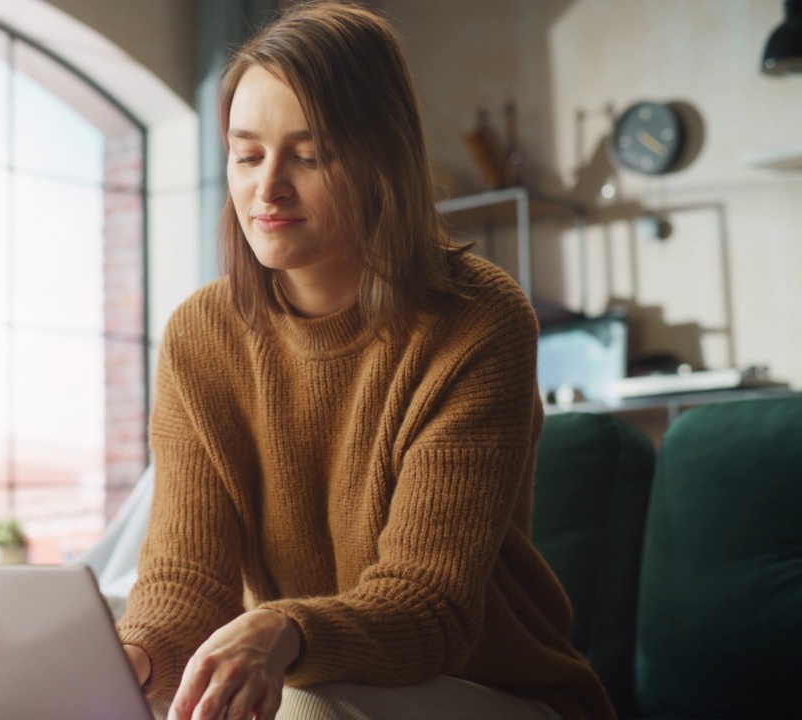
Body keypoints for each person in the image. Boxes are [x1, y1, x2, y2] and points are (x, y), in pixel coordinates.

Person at [114, 3, 615, 720]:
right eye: (247, 154)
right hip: (311, 674)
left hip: (499, 689)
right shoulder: (200, 335)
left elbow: (426, 605)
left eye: (309, 154)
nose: (269, 188)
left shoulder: (479, 320)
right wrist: (136, 655)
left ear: (381, 157)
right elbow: (185, 580)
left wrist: (283, 628)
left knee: (303, 710)